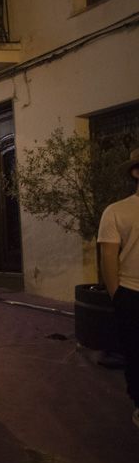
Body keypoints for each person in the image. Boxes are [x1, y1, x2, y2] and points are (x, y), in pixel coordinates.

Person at [97, 148, 139, 430]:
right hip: (133, 292)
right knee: (136, 353)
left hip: (129, 293)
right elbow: (108, 257)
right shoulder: (117, 210)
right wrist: (118, 294)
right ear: (136, 173)